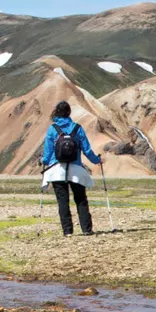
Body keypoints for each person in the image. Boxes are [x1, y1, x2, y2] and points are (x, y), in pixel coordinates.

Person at [39, 101, 102, 236]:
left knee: (62, 201)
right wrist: (97, 160)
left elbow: (48, 152)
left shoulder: (52, 129)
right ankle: (86, 229)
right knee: (80, 199)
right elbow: (87, 150)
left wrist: (43, 161)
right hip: (76, 170)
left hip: (57, 170)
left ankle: (67, 231)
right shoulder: (77, 128)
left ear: (56, 113)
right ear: (69, 113)